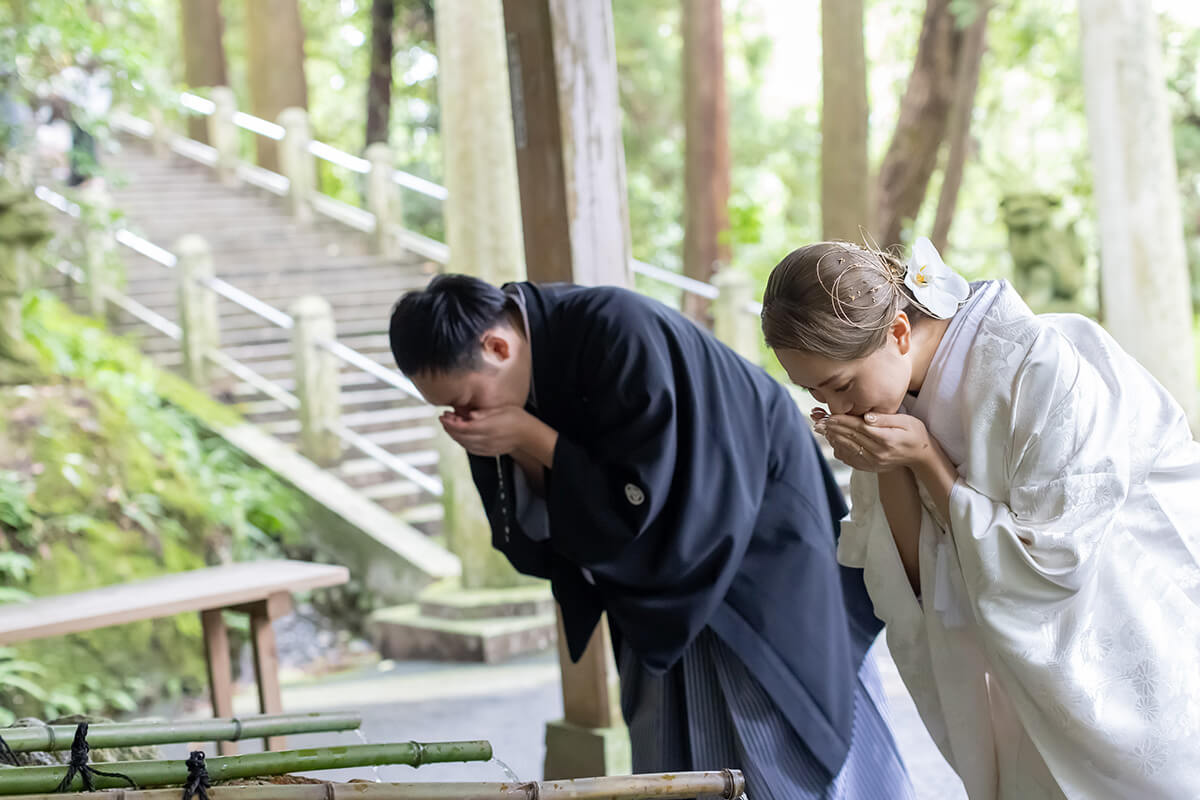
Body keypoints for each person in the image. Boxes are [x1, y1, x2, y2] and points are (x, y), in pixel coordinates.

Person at [388, 275, 912, 800]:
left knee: (776, 720)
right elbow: (545, 532)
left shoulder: (615, 327)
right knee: (667, 744)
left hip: (752, 531)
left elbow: (642, 495)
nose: (467, 420)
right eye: (451, 413)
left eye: (467, 402)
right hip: (651, 571)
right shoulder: (510, 383)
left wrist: (534, 438)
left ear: (498, 347)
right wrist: (522, 445)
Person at [760, 237, 1200, 799]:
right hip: (1012, 678)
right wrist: (888, 465)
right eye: (815, 392)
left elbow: (1048, 572)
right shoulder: (887, 402)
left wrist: (927, 458)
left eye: (842, 385)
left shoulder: (1037, 367)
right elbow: (917, 589)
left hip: (1126, 622)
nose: (838, 410)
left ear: (899, 332)